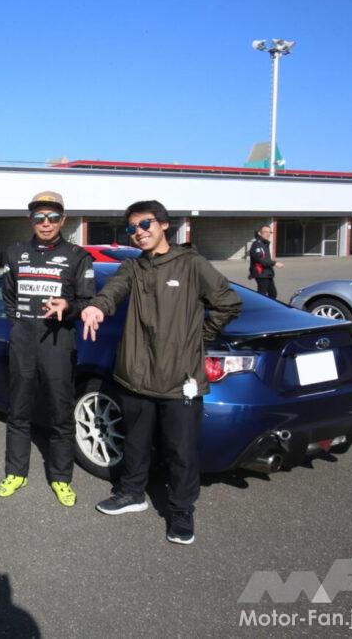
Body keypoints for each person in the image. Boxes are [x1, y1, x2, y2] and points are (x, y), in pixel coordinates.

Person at [80, 200, 240, 545]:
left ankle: (181, 511)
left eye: (145, 224)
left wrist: (199, 339)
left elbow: (228, 303)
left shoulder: (191, 264)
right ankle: (131, 493)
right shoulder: (132, 268)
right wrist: (95, 307)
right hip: (134, 376)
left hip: (178, 380)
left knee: (180, 451)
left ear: (164, 225)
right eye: (132, 228)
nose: (139, 233)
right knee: (135, 443)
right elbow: (111, 293)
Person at [0, 191, 94, 507]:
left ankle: (61, 478)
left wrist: (69, 306)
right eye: (39, 217)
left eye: (53, 217)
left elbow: (87, 302)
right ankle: (16, 473)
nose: (46, 223)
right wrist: (19, 326)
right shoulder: (15, 253)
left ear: (63, 220)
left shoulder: (78, 256)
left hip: (58, 343)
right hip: (23, 342)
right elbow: (9, 298)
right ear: (31, 220)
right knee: (19, 411)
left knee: (60, 415)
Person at [248, 224, 283, 298]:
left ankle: (268, 308)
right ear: (259, 233)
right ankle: (259, 308)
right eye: (265, 232)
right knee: (262, 295)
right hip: (261, 273)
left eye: (269, 232)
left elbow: (265, 259)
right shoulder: (257, 244)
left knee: (272, 294)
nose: (268, 234)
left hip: (267, 273)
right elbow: (261, 260)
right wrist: (275, 263)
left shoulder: (264, 244)